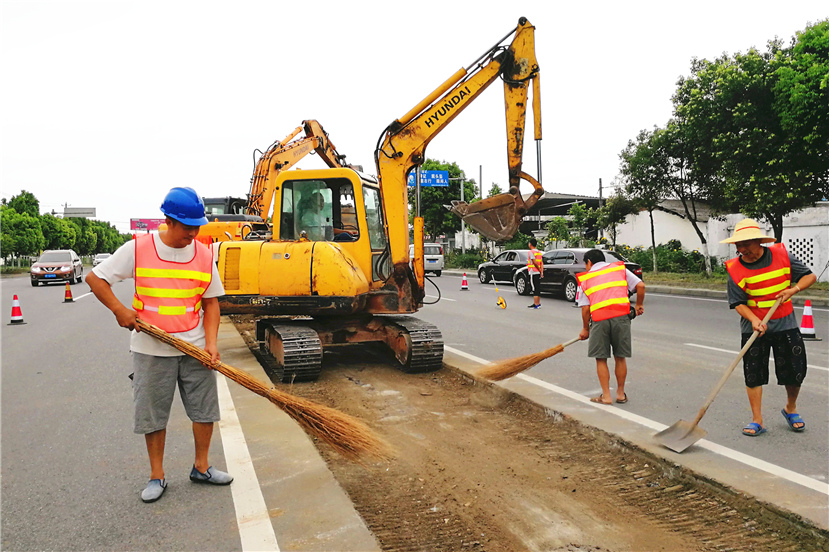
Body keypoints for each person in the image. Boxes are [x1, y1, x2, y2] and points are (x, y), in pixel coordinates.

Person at [86, 187, 233, 503]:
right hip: (151, 349)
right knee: (153, 414)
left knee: (204, 410)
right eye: (186, 227)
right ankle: (157, 476)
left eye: (197, 226)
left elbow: (212, 304)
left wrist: (210, 343)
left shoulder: (205, 254)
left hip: (194, 348)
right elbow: (96, 279)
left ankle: (202, 467)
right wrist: (119, 310)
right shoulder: (138, 248)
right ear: (168, 221)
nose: (192, 233)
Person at [721, 219, 816, 437]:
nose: (742, 251)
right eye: (739, 246)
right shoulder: (735, 269)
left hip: (786, 324)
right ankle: (757, 420)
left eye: (746, 245)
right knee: (753, 373)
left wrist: (793, 290)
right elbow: (737, 303)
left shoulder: (781, 255)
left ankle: (790, 409)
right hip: (754, 328)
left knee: (794, 371)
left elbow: (810, 276)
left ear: (759, 242)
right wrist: (754, 319)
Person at [576, 249, 645, 405]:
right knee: (620, 357)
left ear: (589, 262)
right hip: (621, 318)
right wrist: (639, 305)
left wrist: (585, 329)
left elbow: (586, 309)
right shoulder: (619, 269)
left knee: (601, 359)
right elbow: (640, 286)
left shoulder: (586, 278)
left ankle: (606, 396)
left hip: (599, 320)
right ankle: (620, 394)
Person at [526, 238, 544, 309]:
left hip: (533, 272)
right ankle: (537, 303)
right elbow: (541, 263)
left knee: (534, 288)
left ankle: (536, 304)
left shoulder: (531, 252)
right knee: (538, 287)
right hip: (538, 272)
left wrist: (539, 270)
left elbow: (534, 262)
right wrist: (541, 271)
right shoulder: (539, 252)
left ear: (530, 244)